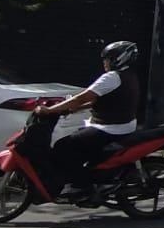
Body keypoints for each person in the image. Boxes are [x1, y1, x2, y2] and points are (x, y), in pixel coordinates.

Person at [35, 40, 141, 204]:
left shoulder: (112, 77)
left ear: (118, 59)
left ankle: (81, 186)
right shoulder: (128, 75)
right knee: (79, 142)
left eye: (107, 59)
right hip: (121, 125)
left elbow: (82, 97)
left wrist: (51, 110)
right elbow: (101, 100)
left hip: (111, 128)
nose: (104, 62)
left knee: (63, 146)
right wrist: (72, 109)